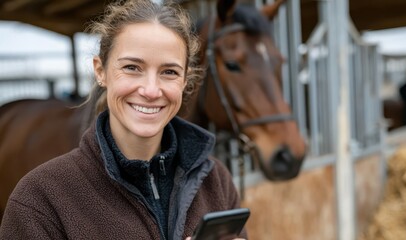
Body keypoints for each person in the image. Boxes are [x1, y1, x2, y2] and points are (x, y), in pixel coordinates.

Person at [0, 0, 246, 239]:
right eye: (132, 67)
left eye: (169, 72)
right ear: (101, 71)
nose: (151, 90)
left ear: (185, 81)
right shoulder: (40, 199)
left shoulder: (217, 181)